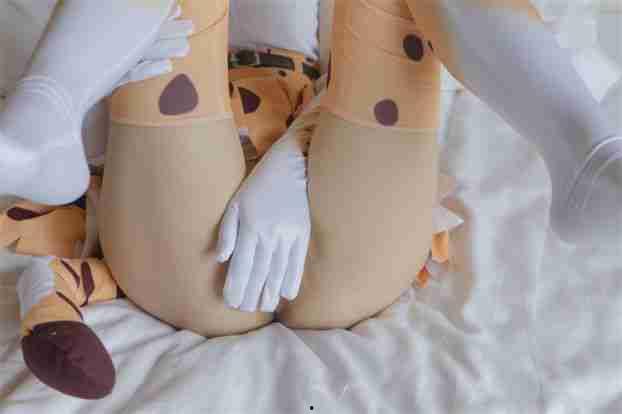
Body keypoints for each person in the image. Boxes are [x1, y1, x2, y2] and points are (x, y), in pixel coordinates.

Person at [0, 0, 619, 400]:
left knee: (393, 34)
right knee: (159, 43)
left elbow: (388, 74)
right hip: (208, 233)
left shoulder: (335, 37)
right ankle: (47, 109)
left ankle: (590, 155)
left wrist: (288, 165)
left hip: (290, 211)